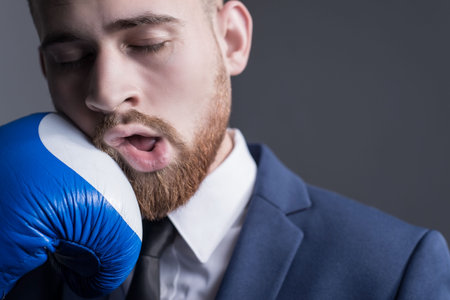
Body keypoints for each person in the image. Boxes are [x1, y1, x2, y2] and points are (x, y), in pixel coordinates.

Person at [6, 0, 450, 299]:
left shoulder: (394, 273)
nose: (104, 92)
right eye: (70, 58)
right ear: (45, 68)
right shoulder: (23, 262)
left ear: (232, 40)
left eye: (149, 45)